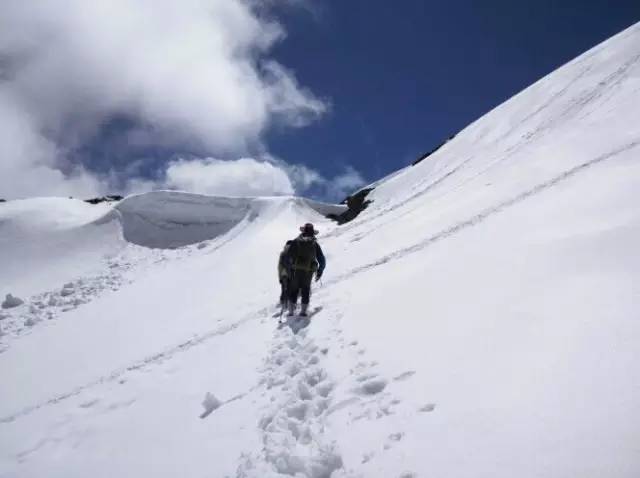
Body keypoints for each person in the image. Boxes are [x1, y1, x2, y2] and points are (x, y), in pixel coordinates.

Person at [284, 223, 326, 317]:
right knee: (305, 289)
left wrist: (288, 270)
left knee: (294, 289)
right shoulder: (315, 244)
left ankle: (291, 312)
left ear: (303, 231)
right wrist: (320, 271)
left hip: (295, 271)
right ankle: (303, 311)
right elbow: (321, 259)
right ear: (313, 233)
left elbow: (288, 257)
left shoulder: (295, 242)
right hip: (308, 271)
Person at [277, 240, 293, 308]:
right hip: (292, 274)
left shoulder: (283, 253)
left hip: (284, 274)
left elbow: (280, 267)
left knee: (284, 289)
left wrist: (280, 277)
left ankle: (283, 303)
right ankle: (290, 303)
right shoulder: (294, 252)